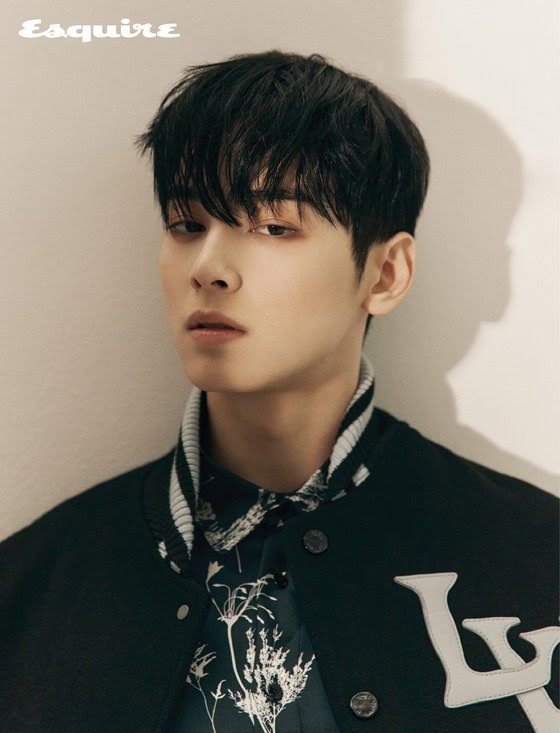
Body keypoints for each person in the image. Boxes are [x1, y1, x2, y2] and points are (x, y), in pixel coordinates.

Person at [0, 50, 557, 733]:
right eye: (186, 224)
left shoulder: (537, 558)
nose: (209, 267)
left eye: (273, 227)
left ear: (385, 273)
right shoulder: (29, 589)